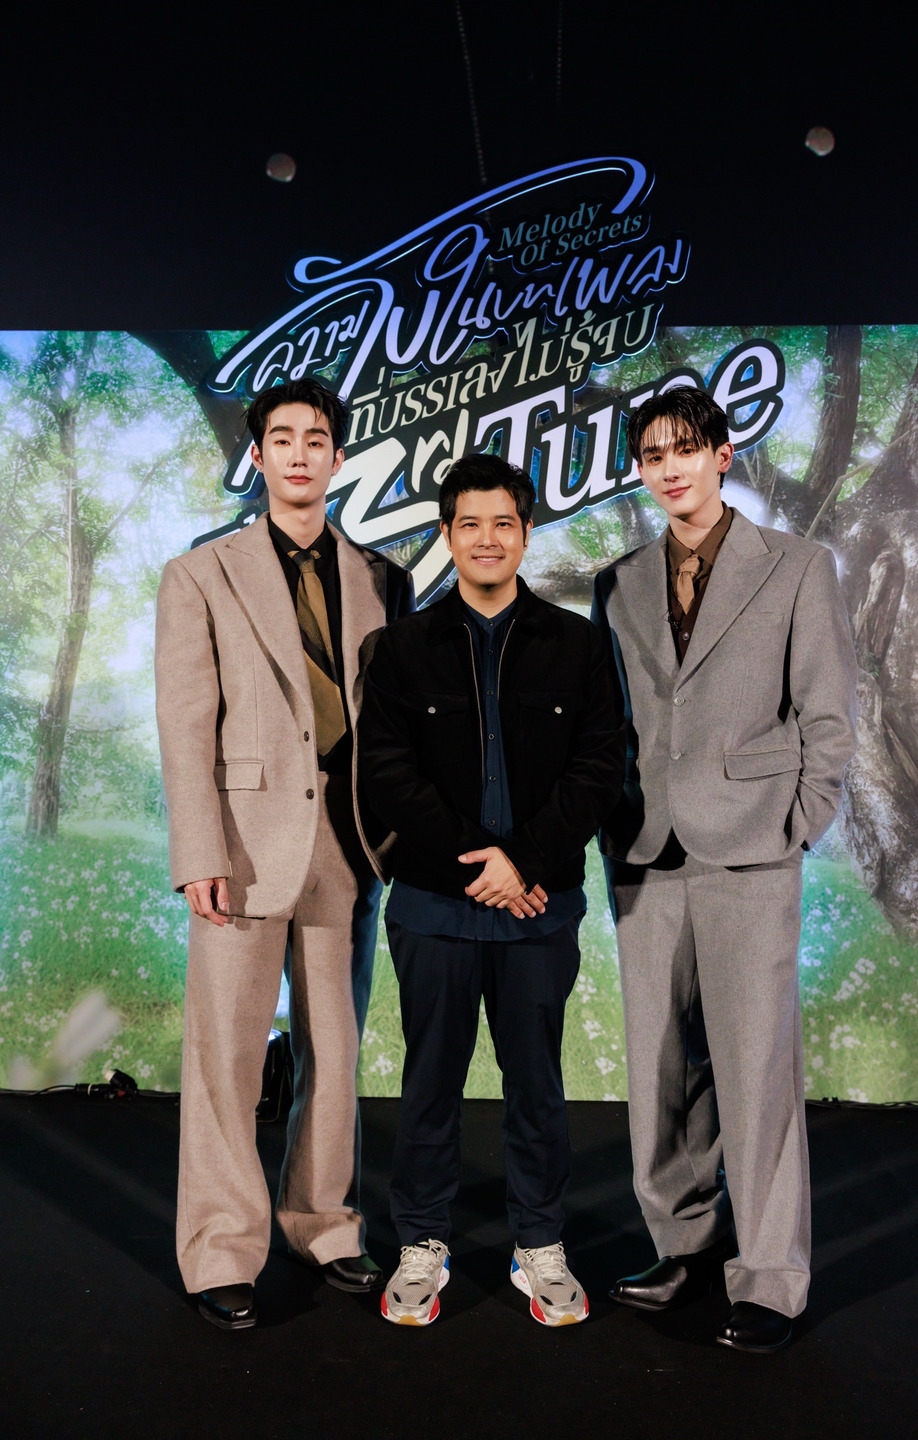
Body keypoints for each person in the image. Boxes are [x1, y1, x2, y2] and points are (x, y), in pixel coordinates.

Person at [593, 386, 857, 1353]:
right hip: (644, 847)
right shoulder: (617, 581)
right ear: (640, 469)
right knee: (661, 1067)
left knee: (756, 1069)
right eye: (653, 454)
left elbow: (828, 715)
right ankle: (684, 1244)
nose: (670, 468)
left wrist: (799, 823)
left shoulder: (797, 566)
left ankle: (771, 1279)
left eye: (686, 448)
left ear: (722, 455)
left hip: (754, 844)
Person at [155, 377, 415, 1329]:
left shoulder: (383, 578)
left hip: (350, 843)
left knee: (334, 1051)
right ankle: (223, 1247)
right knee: (226, 1055)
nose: (300, 452)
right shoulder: (200, 573)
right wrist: (198, 848)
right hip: (242, 846)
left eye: (316, 438)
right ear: (256, 455)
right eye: (282, 437)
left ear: (338, 458)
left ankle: (323, 1224)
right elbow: (185, 722)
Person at [358, 453, 624, 1327]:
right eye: (467, 523)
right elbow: (388, 776)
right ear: (446, 535)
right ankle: (421, 1243)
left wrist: (527, 864)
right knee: (429, 1083)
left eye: (502, 523)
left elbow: (599, 769)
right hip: (434, 909)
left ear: (525, 533)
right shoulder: (399, 649)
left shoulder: (580, 644)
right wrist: (484, 866)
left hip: (539, 910)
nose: (485, 539)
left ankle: (539, 1244)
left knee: (537, 1087)